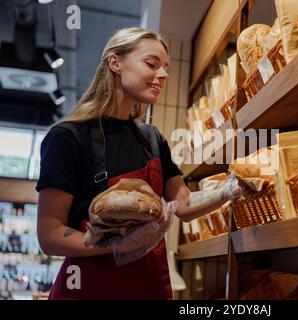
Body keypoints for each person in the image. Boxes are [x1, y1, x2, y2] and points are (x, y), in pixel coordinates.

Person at [36, 27, 242, 300]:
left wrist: (229, 190)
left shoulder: (152, 139)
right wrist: (118, 245)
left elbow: (184, 205)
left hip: (148, 285)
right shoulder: (68, 137)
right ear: (115, 63)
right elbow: (49, 236)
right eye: (151, 64)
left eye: (165, 67)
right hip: (88, 289)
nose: (164, 74)